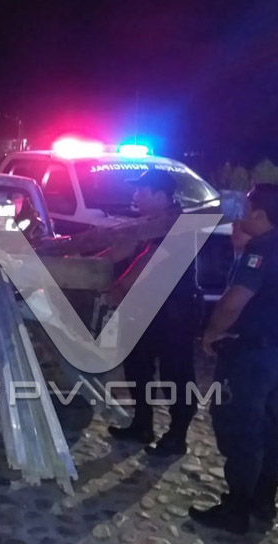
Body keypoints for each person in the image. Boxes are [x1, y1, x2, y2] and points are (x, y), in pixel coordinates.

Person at [190, 183, 278, 534]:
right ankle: (263, 501)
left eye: (246, 210)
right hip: (277, 352)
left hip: (249, 356)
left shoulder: (261, 251)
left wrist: (210, 333)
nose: (239, 216)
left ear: (260, 214)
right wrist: (240, 249)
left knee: (240, 429)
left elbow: (232, 302)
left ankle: (236, 509)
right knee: (269, 428)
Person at [106, 169, 201, 457]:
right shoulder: (151, 223)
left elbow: (143, 266)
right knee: (138, 368)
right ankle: (142, 425)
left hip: (174, 312)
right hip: (148, 309)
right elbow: (118, 252)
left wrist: (116, 289)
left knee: (176, 375)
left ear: (160, 196)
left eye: (141, 190)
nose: (135, 195)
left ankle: (177, 436)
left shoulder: (176, 225)